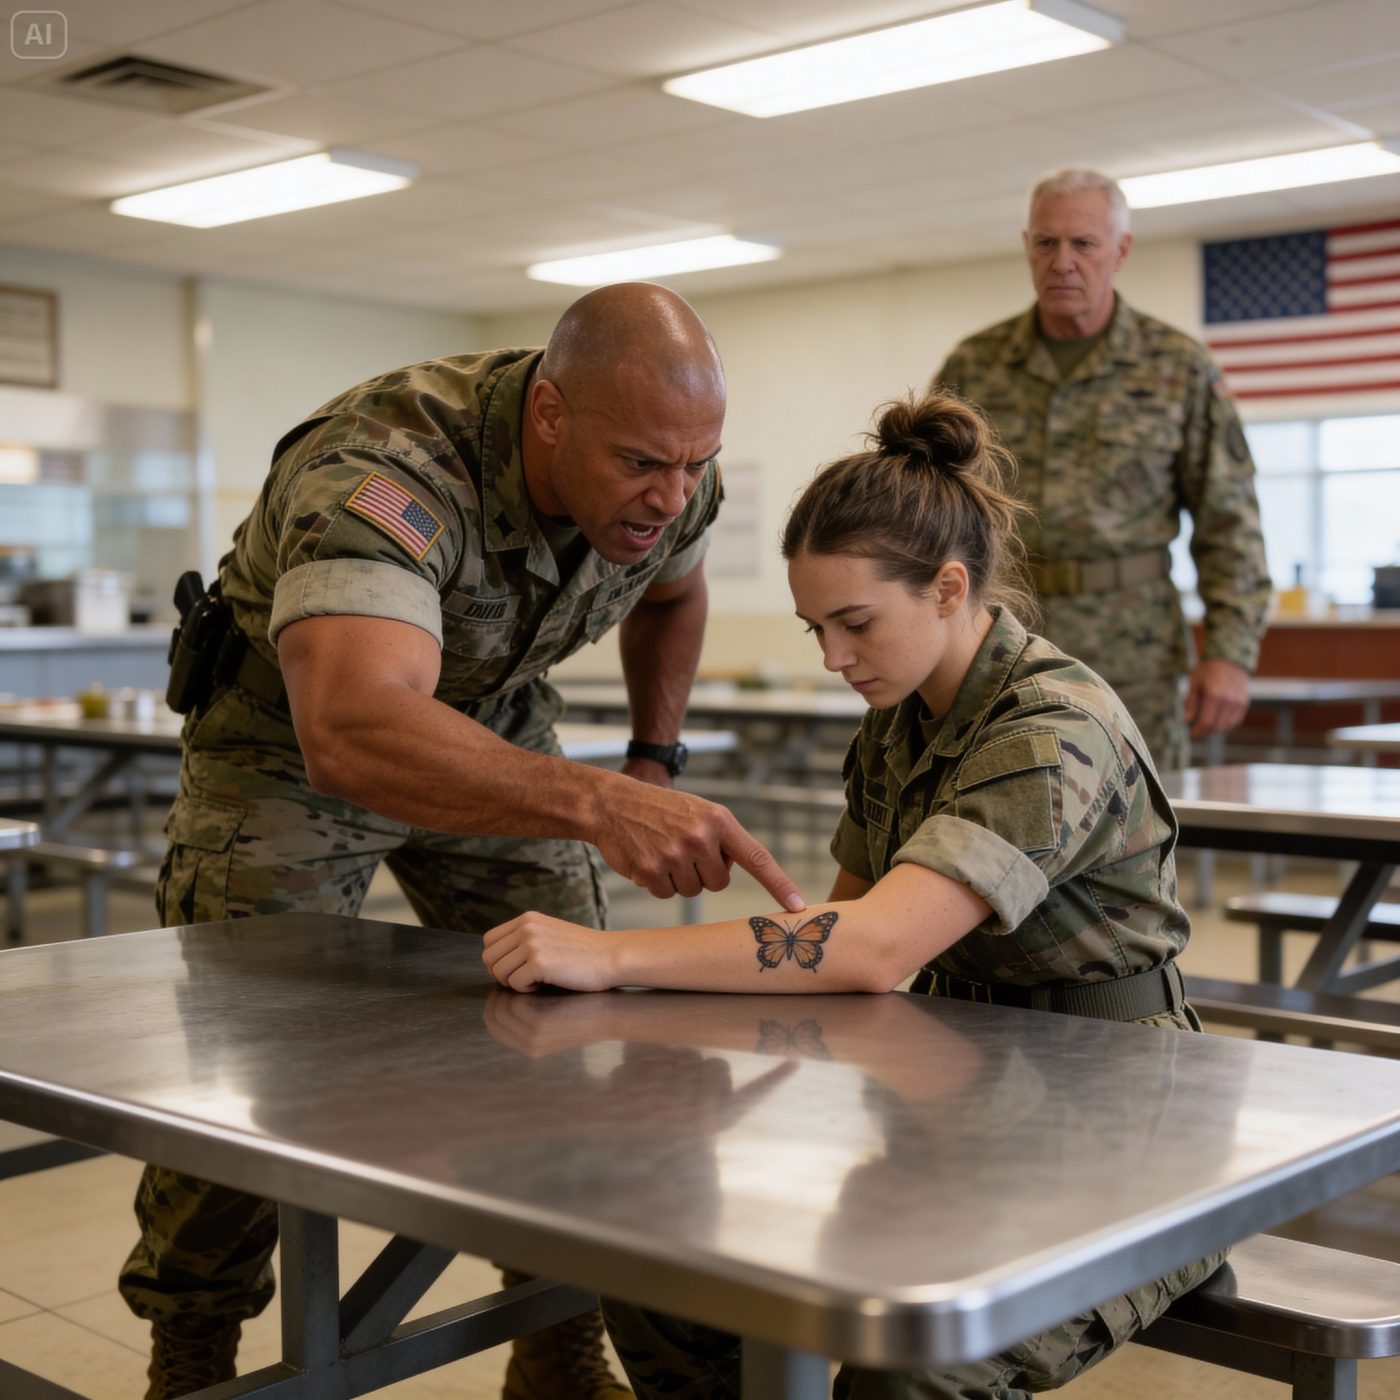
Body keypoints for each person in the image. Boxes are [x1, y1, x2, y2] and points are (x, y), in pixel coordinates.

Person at [121, 281, 805, 1400]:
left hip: (496, 722)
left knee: (578, 1019)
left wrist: (649, 758)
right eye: (642, 463)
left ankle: (556, 1351)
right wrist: (596, 803)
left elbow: (670, 596)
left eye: (695, 462)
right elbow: (351, 727)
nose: (671, 494)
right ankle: (192, 1354)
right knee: (238, 1063)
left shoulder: (675, 472)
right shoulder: (385, 470)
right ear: (550, 414)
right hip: (290, 743)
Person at [482, 391, 1225, 1400]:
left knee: (910, 1370)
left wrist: (610, 954)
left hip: (1126, 1115)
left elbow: (872, 947)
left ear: (948, 587)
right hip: (965, 1073)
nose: (833, 657)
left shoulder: (1050, 729)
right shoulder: (900, 718)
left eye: (855, 623)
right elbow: (821, 937)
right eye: (815, 628)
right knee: (665, 1264)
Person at [932, 166, 1270, 772]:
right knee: (999, 802)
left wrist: (1230, 653)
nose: (1063, 262)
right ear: (1027, 246)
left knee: (1139, 815)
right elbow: (927, 508)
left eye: (1083, 243)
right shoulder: (975, 366)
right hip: (1000, 640)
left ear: (1120, 251)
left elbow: (1230, 520)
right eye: (1046, 242)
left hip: (1134, 651)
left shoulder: (1176, 367)